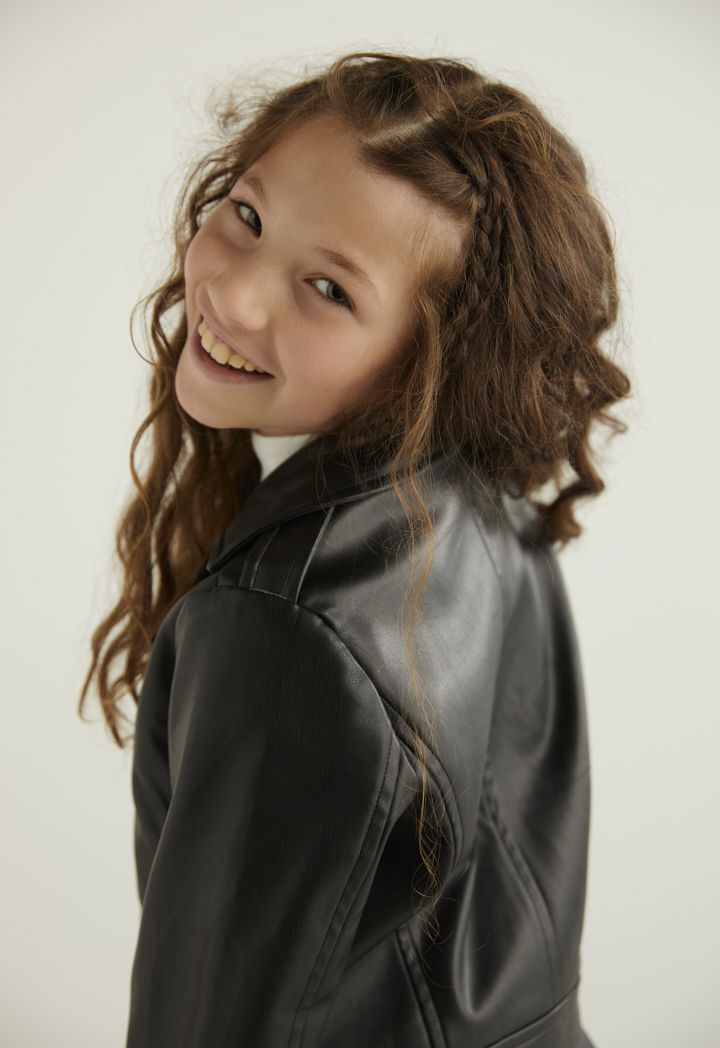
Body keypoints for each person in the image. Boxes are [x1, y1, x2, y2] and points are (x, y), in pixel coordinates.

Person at [78, 49, 631, 1047]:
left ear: (433, 358)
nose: (236, 293)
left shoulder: (285, 630)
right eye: (247, 216)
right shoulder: (477, 495)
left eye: (328, 289)